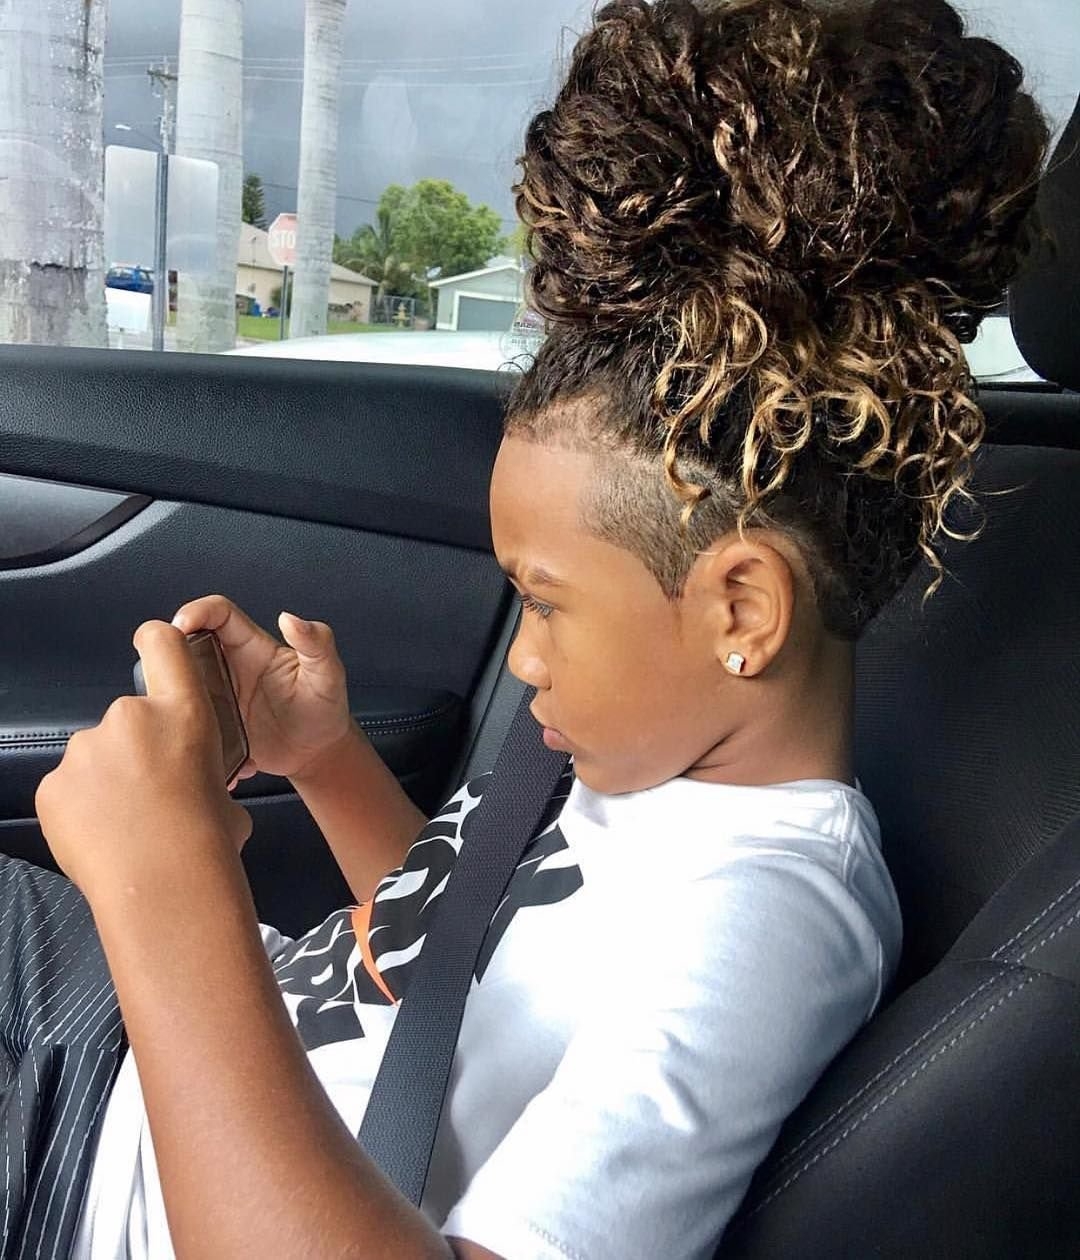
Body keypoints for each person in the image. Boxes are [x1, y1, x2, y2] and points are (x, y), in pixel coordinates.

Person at [3, 0, 1049, 1256]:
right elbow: (460, 965)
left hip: (84, 1164)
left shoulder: (767, 921)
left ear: (741, 609)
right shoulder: (658, 754)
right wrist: (328, 762)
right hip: (115, 1042)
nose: (523, 654)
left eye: (546, 602)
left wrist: (166, 891)